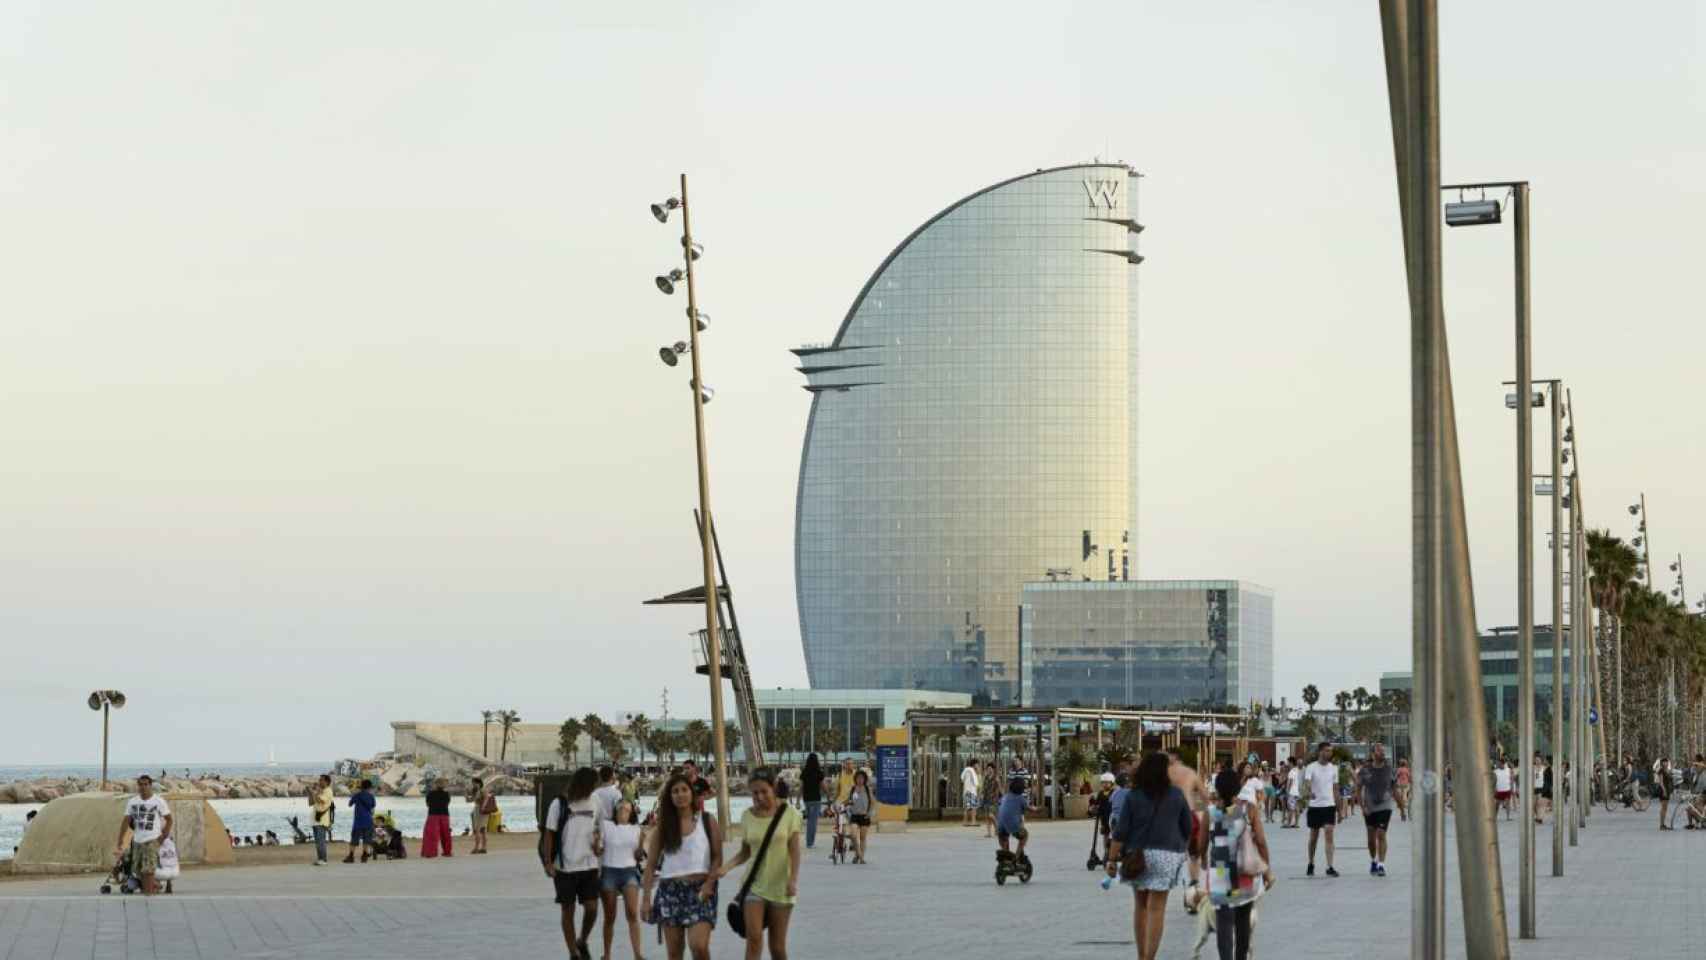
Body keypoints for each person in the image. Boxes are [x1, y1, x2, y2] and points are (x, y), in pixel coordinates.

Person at [1105, 752, 1193, 960]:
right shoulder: (1176, 795)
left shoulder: (1133, 796)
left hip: (1138, 856)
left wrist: (1111, 858)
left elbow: (1121, 831)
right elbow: (1187, 828)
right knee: (1157, 909)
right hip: (1167, 855)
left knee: (1141, 906)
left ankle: (1141, 955)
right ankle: (1150, 957)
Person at [719, 768, 803, 960]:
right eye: (754, 792)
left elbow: (795, 851)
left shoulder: (790, 814)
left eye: (763, 791)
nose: (759, 796)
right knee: (754, 938)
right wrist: (726, 867)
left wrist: (793, 880)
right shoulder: (747, 816)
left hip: (781, 887)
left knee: (777, 948)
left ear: (773, 788)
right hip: (754, 886)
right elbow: (745, 852)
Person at [641, 773, 722, 960]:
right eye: (675, 791)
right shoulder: (664, 827)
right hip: (670, 892)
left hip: (701, 890)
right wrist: (645, 899)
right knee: (675, 953)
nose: (680, 794)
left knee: (699, 946)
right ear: (670, 797)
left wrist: (710, 883)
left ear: (692, 793)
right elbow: (651, 865)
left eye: (684, 790)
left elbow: (717, 858)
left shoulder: (707, 821)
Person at [1198, 767, 1274, 960]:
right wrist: (1266, 871)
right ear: (1238, 787)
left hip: (1220, 875)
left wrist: (1204, 862)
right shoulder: (1248, 810)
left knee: (1224, 923)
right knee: (1243, 923)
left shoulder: (1210, 813)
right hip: (1245, 875)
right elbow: (1261, 842)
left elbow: (1201, 845)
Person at [544, 767, 603, 960]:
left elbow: (598, 828)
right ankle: (573, 953)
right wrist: (548, 863)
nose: (595, 788)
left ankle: (582, 939)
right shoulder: (559, 803)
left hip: (589, 865)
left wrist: (598, 845)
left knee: (592, 908)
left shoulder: (596, 801)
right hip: (564, 866)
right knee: (567, 909)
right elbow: (549, 834)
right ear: (583, 784)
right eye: (592, 784)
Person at [598, 799, 645, 960]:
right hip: (609, 871)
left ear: (631, 812)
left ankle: (638, 954)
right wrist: (596, 845)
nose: (623, 810)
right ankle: (607, 954)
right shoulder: (606, 825)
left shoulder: (636, 829)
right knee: (610, 916)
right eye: (620, 808)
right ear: (615, 810)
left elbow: (638, 857)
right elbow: (599, 848)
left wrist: (642, 844)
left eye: (626, 808)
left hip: (629, 872)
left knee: (632, 913)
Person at [1165, 749, 1211, 914]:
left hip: (1169, 818)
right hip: (1190, 817)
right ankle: (1193, 887)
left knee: (1176, 855)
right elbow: (1204, 797)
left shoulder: (1164, 773)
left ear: (1174, 757)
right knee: (1194, 856)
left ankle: (1183, 888)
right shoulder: (1191, 773)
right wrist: (1201, 813)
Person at [114, 775, 172, 896]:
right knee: (137, 870)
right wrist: (120, 839)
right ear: (138, 786)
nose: (143, 787)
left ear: (150, 786)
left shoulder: (158, 801)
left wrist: (163, 836)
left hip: (152, 839)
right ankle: (153, 887)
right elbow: (126, 821)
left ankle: (149, 894)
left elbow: (169, 820)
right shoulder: (133, 802)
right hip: (137, 840)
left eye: (146, 784)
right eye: (141, 784)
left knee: (148, 870)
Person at [1358, 743, 1396, 877]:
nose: (1383, 753)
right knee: (1370, 839)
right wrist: (1362, 807)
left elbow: (1394, 787)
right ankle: (1373, 860)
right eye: (1379, 751)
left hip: (1385, 806)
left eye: (1383, 750)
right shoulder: (1365, 770)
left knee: (1381, 833)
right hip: (1370, 808)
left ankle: (1381, 865)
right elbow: (1358, 789)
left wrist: (1401, 807)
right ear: (1373, 754)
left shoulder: (1389, 769)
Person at [1302, 742, 1339, 877]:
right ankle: (1311, 863)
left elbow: (1336, 788)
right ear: (1320, 752)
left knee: (1329, 833)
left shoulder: (1334, 768)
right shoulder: (1311, 767)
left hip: (1329, 805)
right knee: (1314, 837)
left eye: (1330, 751)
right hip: (1315, 806)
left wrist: (1339, 808)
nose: (1329, 753)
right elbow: (1307, 783)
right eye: (1326, 751)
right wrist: (1309, 791)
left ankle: (1330, 866)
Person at [995, 776, 1030, 863]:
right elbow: (1029, 809)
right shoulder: (1020, 798)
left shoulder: (1005, 797)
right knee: (1024, 835)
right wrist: (1038, 809)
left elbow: (1001, 806)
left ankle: (1006, 858)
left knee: (1005, 839)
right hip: (1012, 825)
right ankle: (1016, 858)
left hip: (1000, 826)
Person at [846, 769, 875, 865]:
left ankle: (861, 857)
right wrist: (843, 805)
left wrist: (869, 813)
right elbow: (849, 800)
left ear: (865, 779)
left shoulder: (867, 789)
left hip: (864, 816)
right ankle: (858, 854)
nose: (860, 780)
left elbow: (872, 802)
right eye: (858, 778)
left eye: (862, 778)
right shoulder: (853, 789)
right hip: (854, 815)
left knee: (862, 838)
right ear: (855, 779)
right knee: (853, 835)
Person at [345, 779, 376, 864]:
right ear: (369, 787)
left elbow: (349, 804)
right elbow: (372, 810)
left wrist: (354, 794)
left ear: (361, 786)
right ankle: (364, 856)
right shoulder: (371, 796)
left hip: (358, 822)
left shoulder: (357, 795)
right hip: (368, 821)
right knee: (366, 840)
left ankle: (351, 856)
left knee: (354, 840)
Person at [422, 777, 454, 858]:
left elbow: (427, 804)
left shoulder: (430, 793)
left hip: (433, 815)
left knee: (431, 834)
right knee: (446, 834)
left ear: (436, 784)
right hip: (444, 815)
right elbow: (447, 804)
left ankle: (431, 852)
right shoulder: (447, 794)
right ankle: (447, 852)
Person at [308, 775, 334, 866]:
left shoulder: (328, 791)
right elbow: (311, 803)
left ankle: (323, 859)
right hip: (315, 819)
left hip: (322, 819)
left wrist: (315, 792)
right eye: (319, 780)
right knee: (317, 841)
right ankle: (320, 859)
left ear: (327, 782)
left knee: (321, 840)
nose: (319, 782)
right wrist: (310, 793)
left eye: (321, 780)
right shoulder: (320, 791)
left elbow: (321, 801)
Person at [800, 753, 824, 849]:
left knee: (810, 821)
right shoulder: (819, 772)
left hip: (807, 799)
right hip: (816, 799)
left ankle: (809, 842)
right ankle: (810, 842)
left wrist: (798, 800)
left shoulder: (804, 772)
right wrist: (829, 796)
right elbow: (823, 786)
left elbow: (801, 787)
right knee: (813, 822)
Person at [468, 777, 490, 855]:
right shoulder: (476, 791)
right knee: (482, 830)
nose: (473, 784)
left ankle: (477, 847)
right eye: (473, 783)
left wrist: (483, 807)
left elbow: (486, 798)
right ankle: (483, 848)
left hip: (481, 811)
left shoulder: (483, 790)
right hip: (477, 810)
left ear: (479, 783)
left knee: (478, 829)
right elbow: (470, 801)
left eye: (474, 783)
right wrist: (466, 795)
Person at [980, 762, 1001, 838]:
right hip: (986, 799)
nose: (989, 770)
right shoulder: (985, 777)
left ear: (993, 769)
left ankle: (997, 827)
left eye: (990, 768)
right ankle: (989, 833)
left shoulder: (996, 778)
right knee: (987, 817)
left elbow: (998, 789)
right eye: (988, 769)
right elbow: (983, 787)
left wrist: (997, 797)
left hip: (993, 799)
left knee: (991, 815)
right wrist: (982, 794)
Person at [1654, 757, 1674, 830]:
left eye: (1666, 762)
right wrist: (1664, 791)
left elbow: (1670, 775)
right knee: (1663, 807)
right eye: (1664, 762)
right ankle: (1661, 825)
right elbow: (1661, 782)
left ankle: (1663, 824)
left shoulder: (1667, 770)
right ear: (1661, 763)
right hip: (1663, 789)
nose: (1665, 763)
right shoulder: (1661, 771)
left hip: (1667, 789)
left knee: (1665, 808)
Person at [961, 759, 982, 827]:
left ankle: (965, 821)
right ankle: (973, 821)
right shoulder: (971, 770)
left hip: (966, 791)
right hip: (972, 791)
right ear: (974, 764)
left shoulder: (966, 770)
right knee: (973, 807)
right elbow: (976, 782)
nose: (978, 766)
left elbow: (962, 778)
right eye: (977, 764)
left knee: (967, 807)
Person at [1284, 757, 1303, 829]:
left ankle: (1289, 824)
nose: (1287, 764)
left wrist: (1287, 791)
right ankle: (1296, 823)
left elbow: (1290, 782)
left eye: (1288, 762)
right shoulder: (1297, 770)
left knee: (1290, 808)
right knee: (1296, 808)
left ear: (1291, 762)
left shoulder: (1291, 771)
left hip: (1292, 792)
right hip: (1297, 792)